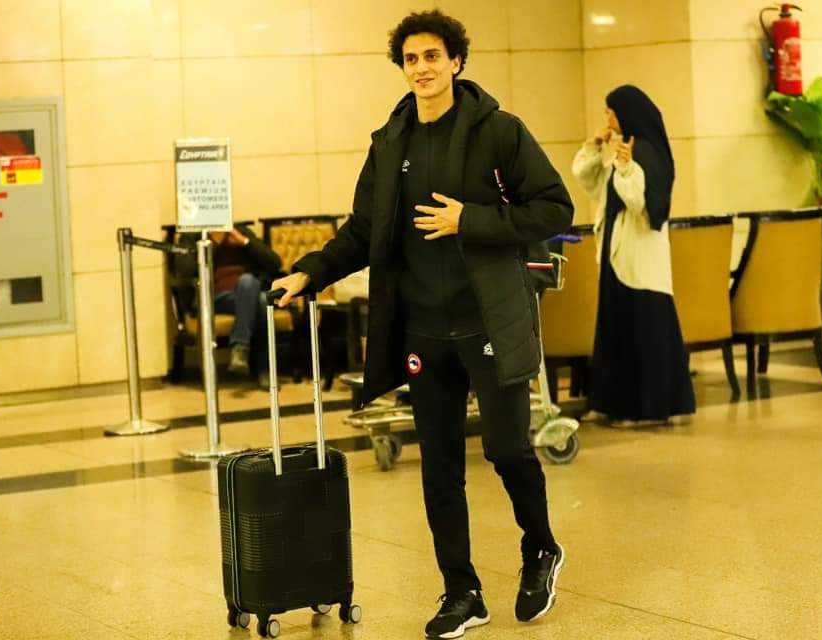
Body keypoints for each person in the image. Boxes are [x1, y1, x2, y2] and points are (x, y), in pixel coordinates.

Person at [272, 10, 573, 638]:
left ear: (457, 61)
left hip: (488, 319)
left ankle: (541, 547)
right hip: (423, 330)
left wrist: (471, 221)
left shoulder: (499, 132)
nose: (422, 68)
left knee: (507, 449)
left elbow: (553, 207)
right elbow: (364, 229)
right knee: (438, 467)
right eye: (411, 59)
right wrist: (309, 273)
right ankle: (462, 591)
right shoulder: (391, 142)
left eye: (433, 56)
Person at [571, 85, 695, 426]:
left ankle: (648, 409)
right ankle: (609, 403)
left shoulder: (648, 152)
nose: (607, 118)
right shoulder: (624, 150)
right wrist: (595, 146)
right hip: (617, 252)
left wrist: (626, 168)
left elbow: (640, 202)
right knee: (615, 329)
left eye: (611, 111)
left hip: (640, 255)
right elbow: (590, 180)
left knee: (644, 332)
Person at [210, 225, 281, 385]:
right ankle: (264, 369)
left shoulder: (240, 231)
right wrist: (213, 245)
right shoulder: (196, 236)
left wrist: (244, 242)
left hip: (247, 293)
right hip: (217, 298)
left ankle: (240, 349)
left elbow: (275, 263)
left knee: (256, 292)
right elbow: (185, 269)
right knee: (259, 299)